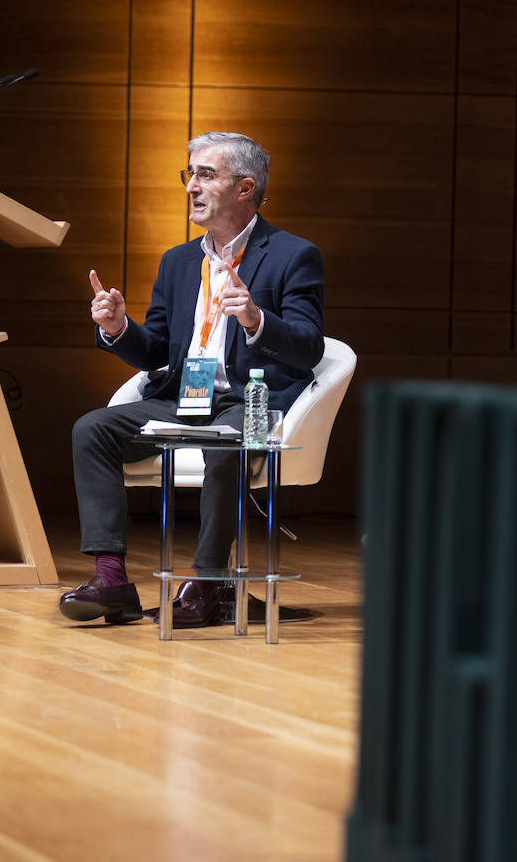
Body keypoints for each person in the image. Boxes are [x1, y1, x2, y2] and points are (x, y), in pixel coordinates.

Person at [59, 132, 325, 627]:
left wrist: (256, 321)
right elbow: (158, 351)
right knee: (91, 429)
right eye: (190, 175)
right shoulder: (179, 261)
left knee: (225, 442)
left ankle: (207, 584)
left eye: (206, 175)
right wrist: (118, 328)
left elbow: (310, 346)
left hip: (246, 401)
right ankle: (112, 578)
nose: (191, 187)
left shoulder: (292, 255)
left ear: (245, 188)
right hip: (185, 397)